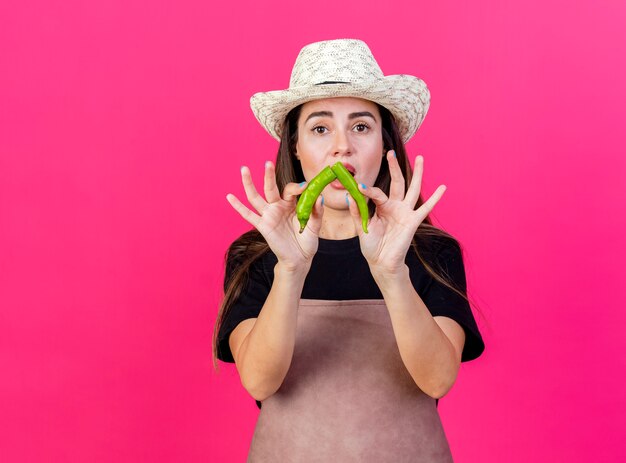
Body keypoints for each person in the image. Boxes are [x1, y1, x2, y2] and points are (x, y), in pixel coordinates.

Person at [213, 39, 485, 462]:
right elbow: (259, 382)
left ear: (385, 144)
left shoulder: (432, 251)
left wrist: (393, 272)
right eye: (320, 129)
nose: (342, 146)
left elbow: (438, 380)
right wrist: (290, 269)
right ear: (296, 148)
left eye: (361, 127)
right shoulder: (256, 254)